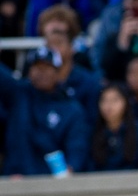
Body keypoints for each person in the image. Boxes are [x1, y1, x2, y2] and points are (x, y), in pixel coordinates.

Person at [0, 48, 89, 178]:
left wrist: (70, 171)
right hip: (15, 180)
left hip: (50, 185)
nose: (41, 73)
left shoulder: (71, 109)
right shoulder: (18, 94)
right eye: (37, 68)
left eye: (47, 68)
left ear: (59, 73)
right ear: (29, 71)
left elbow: (77, 148)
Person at [38, 4, 102, 124]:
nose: (54, 49)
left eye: (58, 42)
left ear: (72, 46)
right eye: (50, 43)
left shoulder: (89, 83)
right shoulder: (36, 78)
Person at [86, 83, 138, 172]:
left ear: (126, 102)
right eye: (104, 100)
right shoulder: (92, 132)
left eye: (115, 100)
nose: (108, 106)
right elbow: (88, 169)